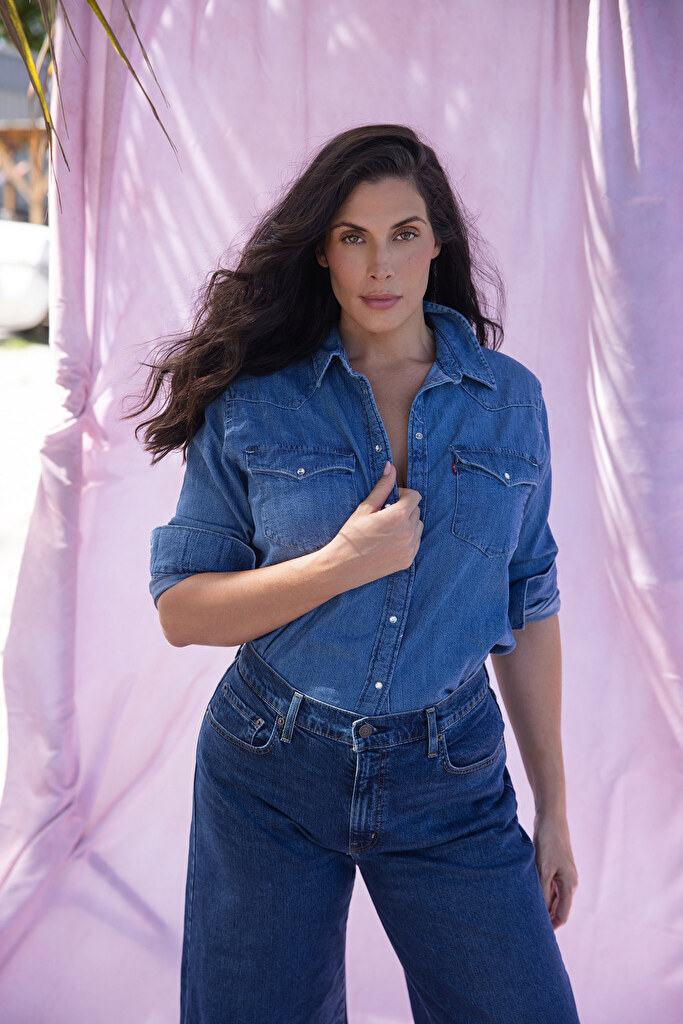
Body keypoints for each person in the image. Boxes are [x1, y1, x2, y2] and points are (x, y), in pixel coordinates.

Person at [129, 124, 581, 1024]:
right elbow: (183, 610)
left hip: (449, 775)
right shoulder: (256, 400)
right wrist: (339, 565)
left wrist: (554, 806)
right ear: (321, 251)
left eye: (403, 234)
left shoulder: (509, 400)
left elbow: (528, 604)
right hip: (269, 766)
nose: (381, 265)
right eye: (353, 236)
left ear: (436, 243)